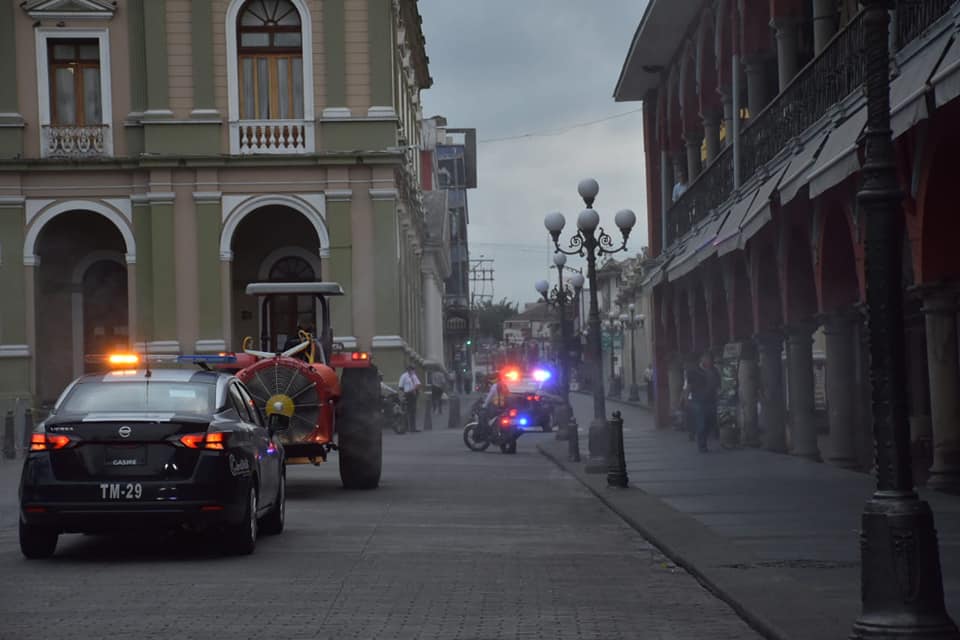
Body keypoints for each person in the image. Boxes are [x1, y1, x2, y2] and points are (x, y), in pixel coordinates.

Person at [685, 351, 721, 452]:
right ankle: (702, 445)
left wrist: (719, 396)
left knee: (710, 421)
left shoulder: (714, 371)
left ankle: (703, 438)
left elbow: (718, 385)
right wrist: (686, 398)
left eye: (710, 359)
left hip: (711, 400)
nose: (709, 361)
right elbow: (689, 386)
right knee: (702, 422)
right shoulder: (694, 371)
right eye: (707, 359)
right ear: (702, 359)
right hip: (698, 400)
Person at [478, 373, 511, 439]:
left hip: (496, 407)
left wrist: (484, 406)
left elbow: (489, 397)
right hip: (504, 407)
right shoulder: (504, 385)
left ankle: (487, 431)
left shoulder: (494, 386)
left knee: (484, 415)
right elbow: (508, 395)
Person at [398, 365, 421, 433]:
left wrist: (414, 389)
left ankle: (413, 428)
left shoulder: (414, 376)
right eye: (412, 370)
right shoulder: (404, 376)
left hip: (414, 395)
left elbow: (418, 384)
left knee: (413, 412)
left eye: (413, 370)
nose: (413, 371)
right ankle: (407, 428)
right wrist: (403, 395)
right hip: (407, 395)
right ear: (409, 370)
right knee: (408, 412)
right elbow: (400, 386)